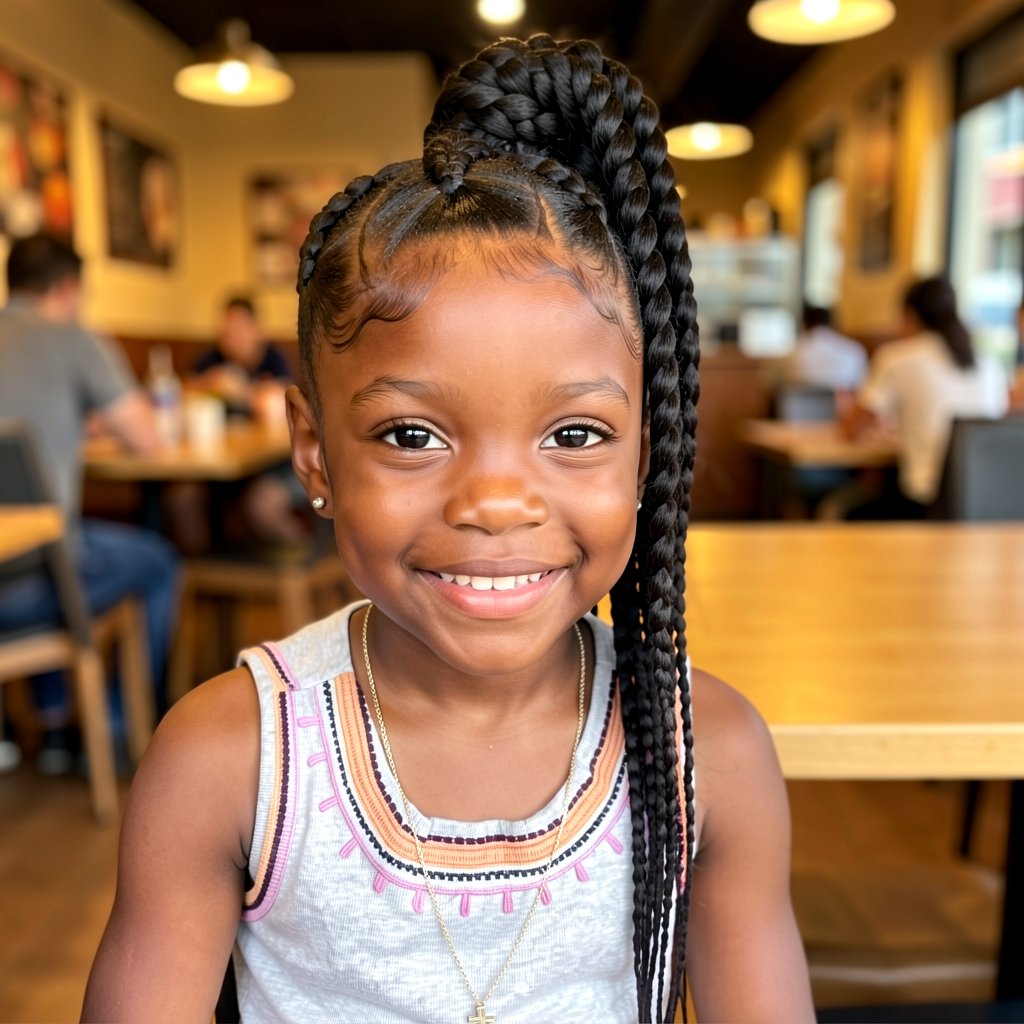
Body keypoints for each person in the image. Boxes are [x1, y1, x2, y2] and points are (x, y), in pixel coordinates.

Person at [82, 36, 814, 1024]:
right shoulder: (230, 759)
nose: (496, 502)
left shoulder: (707, 754)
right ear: (313, 452)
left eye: (575, 432)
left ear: (647, 449)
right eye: (412, 433)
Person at [0, 233, 179, 769]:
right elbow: (147, 439)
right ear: (68, 287)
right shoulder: (72, 339)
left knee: (43, 542)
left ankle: (47, 731)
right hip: (36, 582)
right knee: (156, 562)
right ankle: (121, 729)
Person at [840, 275, 1009, 518]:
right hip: (987, 507)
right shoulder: (990, 364)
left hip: (925, 505)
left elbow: (852, 430)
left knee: (839, 509)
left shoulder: (898, 357)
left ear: (909, 315)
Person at [167, 295, 309, 553]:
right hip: (215, 464)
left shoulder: (273, 358)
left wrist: (241, 391)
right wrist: (207, 383)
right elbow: (180, 394)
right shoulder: (211, 359)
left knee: (260, 505)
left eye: (240, 329)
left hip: (275, 463)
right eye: (227, 330)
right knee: (182, 498)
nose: (233, 337)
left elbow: (278, 406)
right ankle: (207, 581)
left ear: (256, 330)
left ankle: (299, 564)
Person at [780, 303, 867, 392]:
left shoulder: (790, 353)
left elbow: (778, 385)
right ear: (834, 323)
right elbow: (862, 387)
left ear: (804, 324)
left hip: (795, 404)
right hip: (843, 404)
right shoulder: (853, 349)